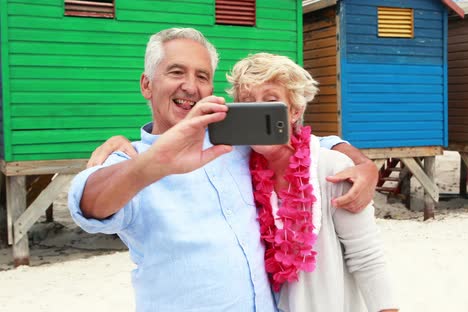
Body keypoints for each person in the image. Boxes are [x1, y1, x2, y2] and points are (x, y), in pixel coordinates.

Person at [68, 28, 379, 311]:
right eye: (176, 72)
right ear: (147, 85)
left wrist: (362, 163)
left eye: (202, 76)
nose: (190, 86)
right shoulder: (130, 161)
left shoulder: (236, 141)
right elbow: (89, 204)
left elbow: (303, 141)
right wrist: (152, 163)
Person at [226, 53, 397, 312]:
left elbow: (367, 258)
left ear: (295, 111)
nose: (257, 111)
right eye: (247, 102)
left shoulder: (332, 168)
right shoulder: (237, 172)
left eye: (270, 100)